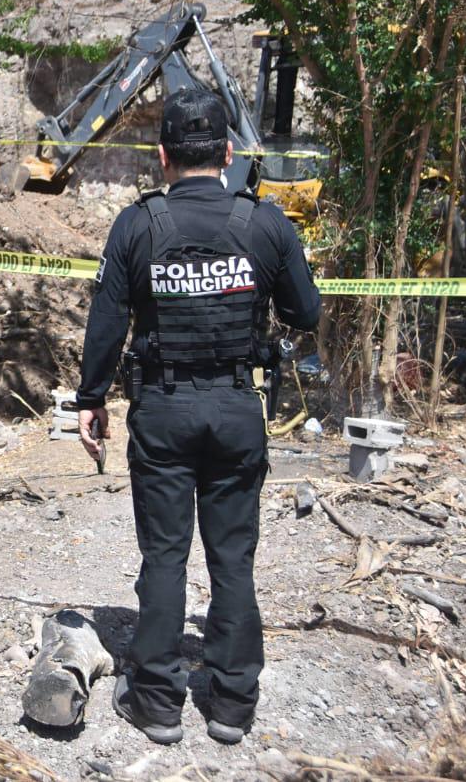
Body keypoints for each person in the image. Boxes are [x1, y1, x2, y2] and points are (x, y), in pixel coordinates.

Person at [76, 87, 321, 746]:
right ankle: (232, 703)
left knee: (164, 554)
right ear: (229, 153)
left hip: (162, 409)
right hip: (237, 407)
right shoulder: (264, 222)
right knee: (232, 557)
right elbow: (307, 312)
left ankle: (157, 701)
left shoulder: (138, 223)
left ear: (162, 157)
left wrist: (89, 398)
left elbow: (105, 324)